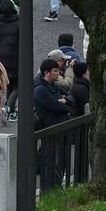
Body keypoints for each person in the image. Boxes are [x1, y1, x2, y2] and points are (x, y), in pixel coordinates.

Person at [34, 59, 73, 189]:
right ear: (47, 73)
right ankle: (49, 191)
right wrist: (65, 104)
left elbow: (71, 98)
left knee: (60, 161)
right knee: (50, 162)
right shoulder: (40, 90)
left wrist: (64, 100)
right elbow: (56, 106)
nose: (58, 73)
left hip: (60, 128)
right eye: (55, 71)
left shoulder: (55, 86)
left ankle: (55, 188)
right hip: (50, 129)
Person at [0, 0, 22, 121]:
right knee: (18, 86)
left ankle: (12, 112)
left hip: (1, 60)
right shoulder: (19, 24)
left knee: (10, 85)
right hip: (16, 59)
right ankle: (8, 109)